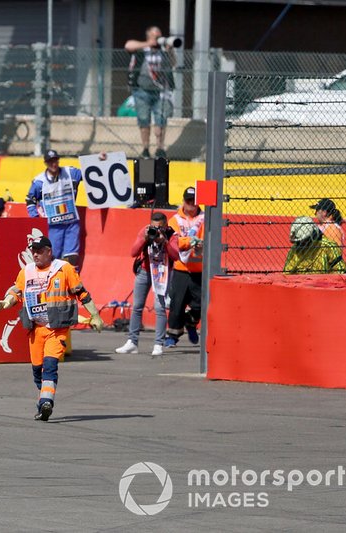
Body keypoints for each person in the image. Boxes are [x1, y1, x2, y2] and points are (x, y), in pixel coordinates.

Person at [0, 235, 104, 422]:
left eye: (38, 251)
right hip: (36, 329)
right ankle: (42, 401)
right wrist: (6, 302)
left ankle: (47, 402)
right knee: (38, 370)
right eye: (33, 251)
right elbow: (16, 292)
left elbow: (82, 293)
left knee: (50, 366)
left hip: (57, 329)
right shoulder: (26, 271)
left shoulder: (63, 269)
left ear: (48, 251)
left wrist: (95, 315)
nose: (35, 254)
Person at [115, 212, 180, 357]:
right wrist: (144, 239)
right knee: (137, 306)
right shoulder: (145, 231)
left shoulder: (172, 235)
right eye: (154, 227)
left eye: (159, 227)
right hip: (145, 270)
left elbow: (176, 256)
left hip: (162, 272)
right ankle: (132, 342)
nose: (156, 230)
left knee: (159, 307)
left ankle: (158, 344)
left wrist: (165, 242)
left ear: (166, 225)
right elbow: (133, 252)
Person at [25, 149, 84, 268]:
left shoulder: (71, 173)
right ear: (46, 163)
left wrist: (100, 159)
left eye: (55, 160)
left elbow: (89, 173)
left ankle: (71, 285)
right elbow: (30, 200)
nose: (54, 164)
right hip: (52, 226)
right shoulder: (39, 181)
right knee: (52, 258)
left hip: (71, 224)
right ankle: (53, 284)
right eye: (50, 161)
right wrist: (36, 219)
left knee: (71, 259)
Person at [124, 25, 177, 159]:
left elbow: (174, 63)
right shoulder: (141, 49)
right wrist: (149, 43)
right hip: (141, 91)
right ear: (149, 36)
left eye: (159, 35)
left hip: (160, 92)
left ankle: (160, 148)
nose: (158, 38)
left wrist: (170, 51)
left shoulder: (163, 52)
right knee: (144, 120)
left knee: (161, 120)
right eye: (155, 36)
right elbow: (128, 45)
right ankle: (145, 149)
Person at [165, 187, 204, 348]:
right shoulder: (175, 220)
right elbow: (173, 241)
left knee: (200, 303)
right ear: (183, 201)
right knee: (177, 304)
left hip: (198, 268)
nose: (191, 205)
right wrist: (188, 241)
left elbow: (206, 237)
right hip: (181, 268)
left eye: (194, 201)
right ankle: (173, 336)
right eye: (189, 201)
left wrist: (197, 242)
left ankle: (191, 322)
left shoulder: (204, 218)